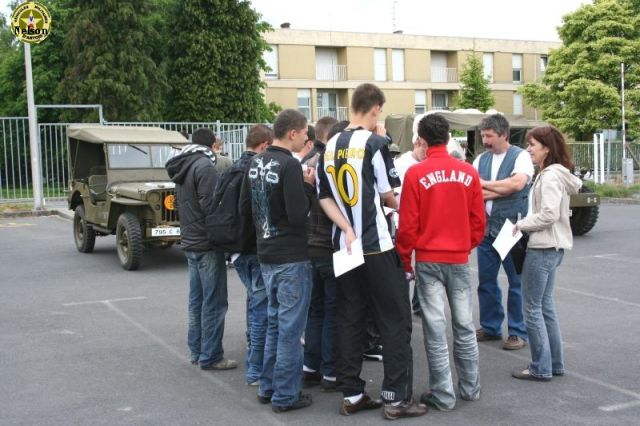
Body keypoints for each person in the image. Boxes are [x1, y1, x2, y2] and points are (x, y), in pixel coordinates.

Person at [317, 83, 427, 420]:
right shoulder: (377, 143)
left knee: (350, 318)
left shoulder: (330, 145)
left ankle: (352, 393)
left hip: (345, 245)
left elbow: (323, 197)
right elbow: (387, 194)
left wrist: (347, 228)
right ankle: (395, 397)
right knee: (395, 320)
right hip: (377, 246)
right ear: (376, 109)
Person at [396, 113, 485, 411]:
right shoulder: (469, 172)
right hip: (459, 259)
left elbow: (408, 224)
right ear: (448, 138)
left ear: (422, 140)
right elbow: (478, 222)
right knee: (464, 324)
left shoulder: (415, 174)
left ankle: (443, 394)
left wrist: (405, 260)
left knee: (435, 327)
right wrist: (464, 245)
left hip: (429, 259)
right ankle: (471, 388)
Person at [242, 109, 316, 413]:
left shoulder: (256, 161)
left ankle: (267, 385)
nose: (306, 139)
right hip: (291, 256)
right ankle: (286, 395)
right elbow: (298, 215)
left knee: (274, 324)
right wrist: (309, 187)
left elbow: (251, 208)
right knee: (289, 330)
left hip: (266, 253)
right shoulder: (289, 165)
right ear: (293, 133)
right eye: (304, 133)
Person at [511, 125, 582, 381]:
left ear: (547, 148)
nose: (528, 149)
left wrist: (522, 224)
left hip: (542, 248)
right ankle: (554, 364)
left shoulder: (550, 176)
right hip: (554, 247)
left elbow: (549, 214)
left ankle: (541, 367)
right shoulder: (556, 174)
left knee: (532, 308)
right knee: (545, 307)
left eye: (532, 145)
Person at [165, 128, 237, 371]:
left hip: (190, 241)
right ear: (212, 145)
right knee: (214, 302)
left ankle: (196, 351)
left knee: (196, 301)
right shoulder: (205, 166)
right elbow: (211, 207)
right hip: (207, 244)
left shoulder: (183, 164)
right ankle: (212, 356)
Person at [473, 114, 533, 351]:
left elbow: (517, 185)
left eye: (489, 136)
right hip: (487, 228)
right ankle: (491, 326)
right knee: (486, 280)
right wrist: (502, 189)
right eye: (483, 135)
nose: (485, 140)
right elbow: (474, 191)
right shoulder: (480, 159)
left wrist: (484, 184)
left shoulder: (521, 157)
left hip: (512, 228)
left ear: (504, 135)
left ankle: (517, 331)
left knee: (516, 282)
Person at [299, 116, 340, 392]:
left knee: (315, 310)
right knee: (333, 311)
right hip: (331, 247)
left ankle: (309, 367)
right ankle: (330, 372)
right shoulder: (335, 166)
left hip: (309, 247)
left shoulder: (306, 164)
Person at [231, 124, 273, 386]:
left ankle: (253, 356)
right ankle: (256, 370)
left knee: (253, 303)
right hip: (254, 248)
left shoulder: (231, 168)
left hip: (236, 248)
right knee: (261, 312)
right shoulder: (256, 170)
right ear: (265, 146)